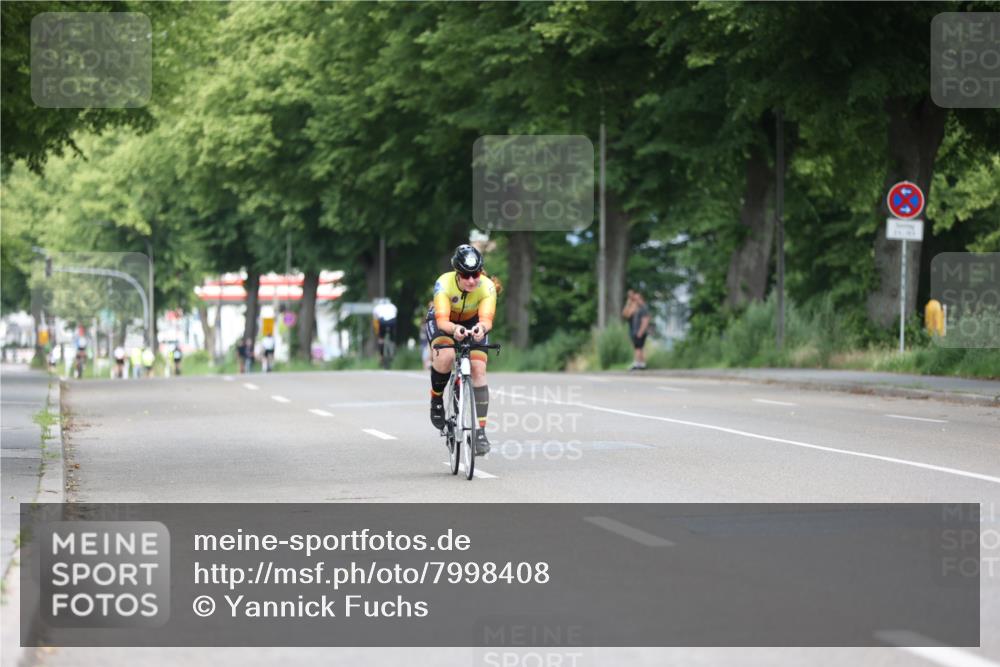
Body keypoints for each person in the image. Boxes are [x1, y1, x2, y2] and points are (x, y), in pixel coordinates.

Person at [426, 244, 498, 455]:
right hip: (445, 321)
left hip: (473, 322)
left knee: (478, 369)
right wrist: (454, 329)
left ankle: (480, 432)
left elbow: (486, 320)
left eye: (476, 274)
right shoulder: (444, 283)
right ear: (457, 273)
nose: (471, 280)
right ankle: (436, 398)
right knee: (446, 356)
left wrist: (481, 329)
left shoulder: (487, 287)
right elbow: (442, 321)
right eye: (466, 275)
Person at [623, 290, 651, 370]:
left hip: (640, 331)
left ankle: (636, 363)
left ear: (641, 299)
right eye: (635, 299)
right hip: (636, 331)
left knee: (638, 348)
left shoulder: (643, 308)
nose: (635, 301)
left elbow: (645, 320)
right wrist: (629, 302)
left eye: (637, 299)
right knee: (639, 347)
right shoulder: (637, 308)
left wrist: (641, 331)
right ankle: (642, 364)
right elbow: (625, 314)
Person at [372, 297, 398, 367]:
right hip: (392, 321)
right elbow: (395, 314)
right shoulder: (393, 306)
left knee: (381, 339)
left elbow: (375, 320)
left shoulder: (377, 307)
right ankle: (393, 349)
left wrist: (377, 331)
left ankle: (381, 356)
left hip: (382, 322)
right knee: (392, 337)